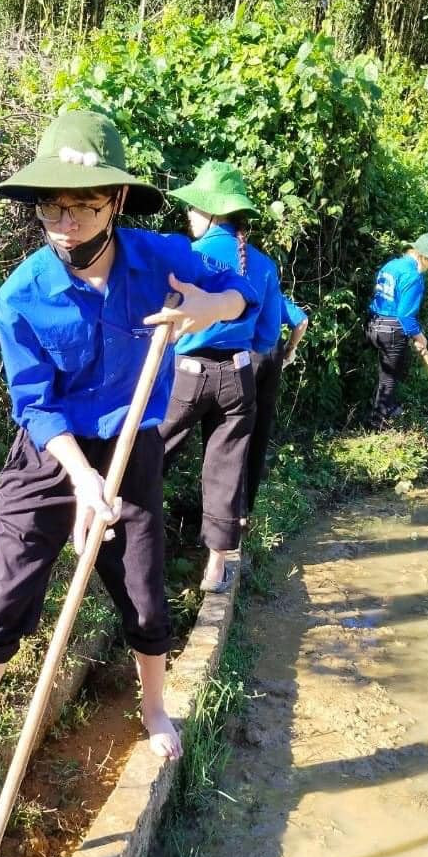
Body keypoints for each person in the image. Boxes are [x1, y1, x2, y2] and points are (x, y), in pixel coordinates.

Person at [0, 112, 256, 790]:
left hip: (132, 443)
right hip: (52, 454)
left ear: (117, 202)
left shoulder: (158, 258)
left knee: (141, 586)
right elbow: (34, 402)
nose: (64, 220)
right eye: (52, 205)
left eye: (82, 205)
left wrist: (204, 308)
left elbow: (241, 292)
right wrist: (79, 479)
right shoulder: (22, 295)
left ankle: (157, 709)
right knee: (4, 595)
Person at [161, 160, 279, 592]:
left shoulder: (188, 257)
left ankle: (128, 535)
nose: (188, 215)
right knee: (226, 467)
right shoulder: (262, 265)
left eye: (194, 208)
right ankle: (215, 567)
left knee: (152, 453)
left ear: (212, 213)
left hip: (187, 374)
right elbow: (267, 337)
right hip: (238, 377)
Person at [366, 233, 428, 427]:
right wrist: (420, 337)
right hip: (392, 329)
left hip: (373, 324)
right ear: (424, 257)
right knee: (390, 377)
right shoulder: (414, 277)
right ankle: (379, 422)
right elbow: (405, 315)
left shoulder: (391, 266)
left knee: (392, 370)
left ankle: (387, 410)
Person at [245, 291, 309, 517]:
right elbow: (301, 321)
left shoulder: (234, 286)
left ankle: (231, 506)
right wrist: (290, 350)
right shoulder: (272, 294)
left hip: (246, 353)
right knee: (261, 426)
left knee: (235, 426)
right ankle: (246, 510)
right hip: (273, 352)